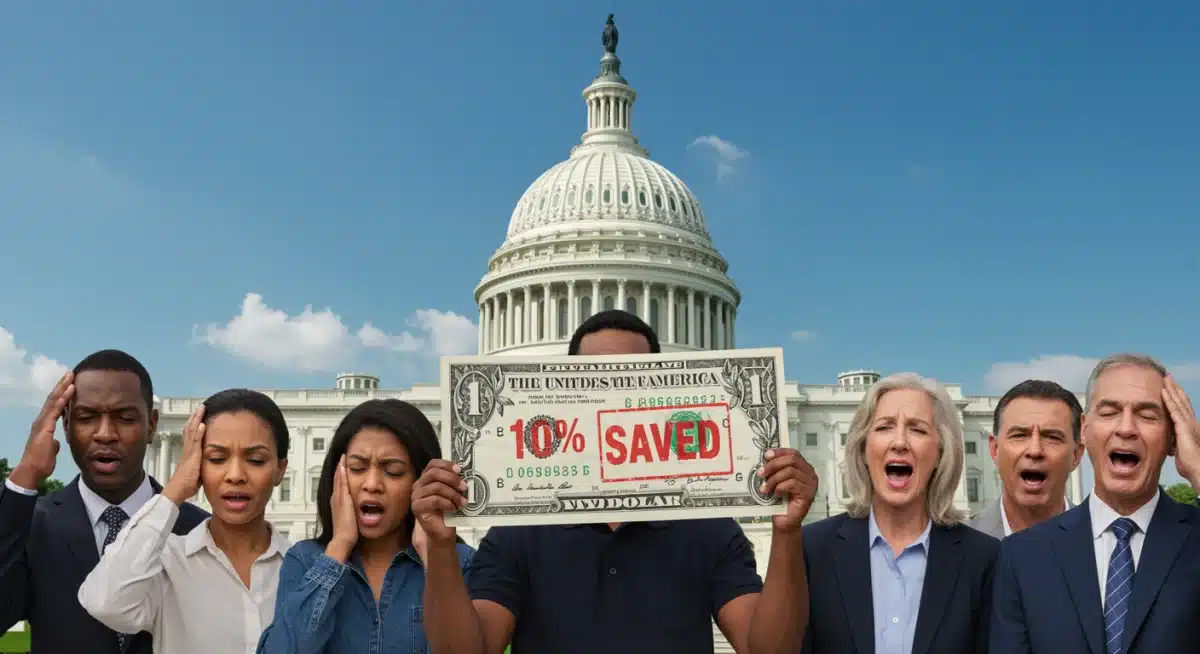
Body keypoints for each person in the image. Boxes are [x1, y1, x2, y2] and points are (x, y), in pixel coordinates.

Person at [414, 309, 818, 654]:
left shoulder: (709, 526)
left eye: (629, 377)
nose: (612, 391)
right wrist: (441, 544)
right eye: (593, 377)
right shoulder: (516, 532)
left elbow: (768, 649)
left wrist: (787, 532)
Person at [0, 349, 209, 653]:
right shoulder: (31, 523)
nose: (105, 434)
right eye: (86, 418)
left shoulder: (198, 530)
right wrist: (27, 473)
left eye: (125, 418)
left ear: (151, 425)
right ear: (66, 425)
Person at [990, 353, 1200, 653]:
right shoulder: (1022, 555)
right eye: (1109, 412)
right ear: (1085, 430)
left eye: (1147, 415)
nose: (1126, 428)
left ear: (1173, 438)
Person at [77, 388, 292, 653]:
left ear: (280, 470)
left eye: (256, 460)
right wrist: (175, 489)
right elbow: (105, 603)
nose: (235, 475)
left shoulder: (305, 569)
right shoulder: (165, 563)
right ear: (197, 464)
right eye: (217, 459)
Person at [800, 372, 999, 653]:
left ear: (941, 452)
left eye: (918, 429)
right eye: (884, 427)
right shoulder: (812, 548)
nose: (899, 442)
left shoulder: (984, 558)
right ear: (862, 448)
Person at [256, 398, 473, 653]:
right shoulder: (304, 560)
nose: (372, 484)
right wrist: (339, 546)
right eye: (357, 468)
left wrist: (432, 555)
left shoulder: (462, 562)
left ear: (421, 481)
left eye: (393, 471)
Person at [968, 379, 1084, 538]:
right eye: (1019, 435)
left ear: (1076, 455)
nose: (1035, 450)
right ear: (995, 450)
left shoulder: (1107, 543)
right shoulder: (955, 546)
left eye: (1052, 437)